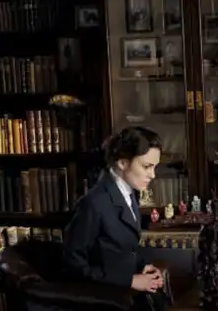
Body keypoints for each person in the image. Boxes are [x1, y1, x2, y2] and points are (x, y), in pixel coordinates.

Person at [63, 126, 164, 296]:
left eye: (155, 167)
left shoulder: (129, 192)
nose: (152, 175)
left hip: (123, 294)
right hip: (105, 300)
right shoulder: (94, 203)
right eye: (147, 166)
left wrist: (142, 267)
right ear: (123, 163)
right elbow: (73, 264)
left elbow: (117, 251)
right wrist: (130, 280)